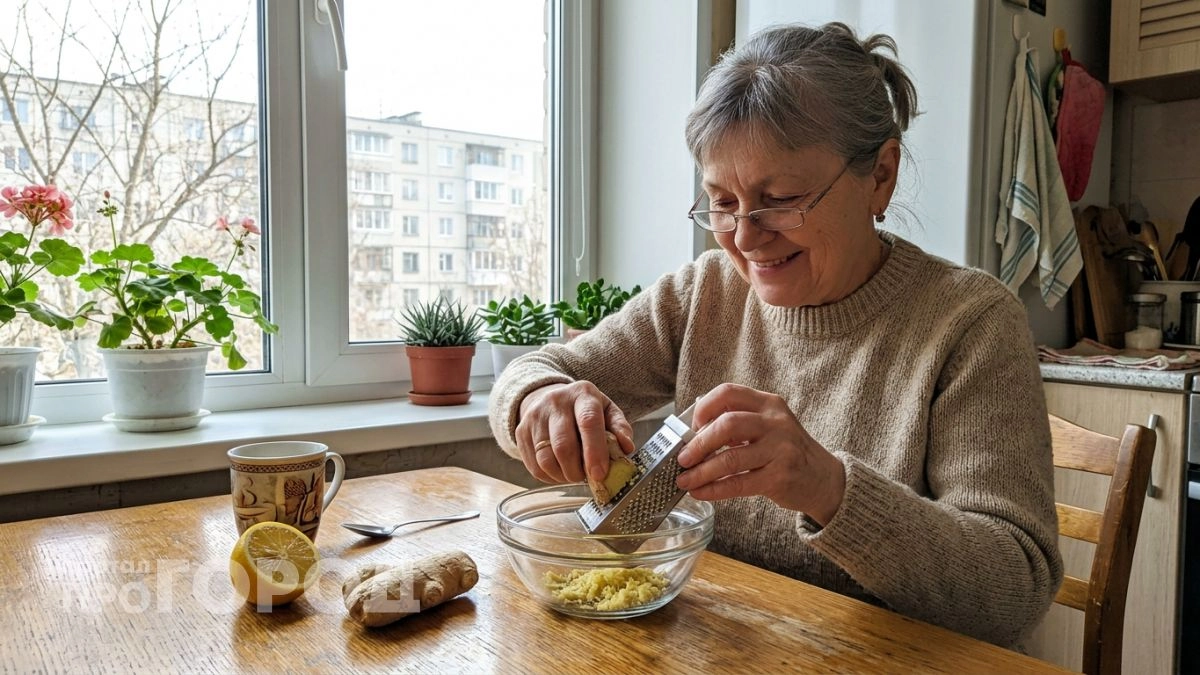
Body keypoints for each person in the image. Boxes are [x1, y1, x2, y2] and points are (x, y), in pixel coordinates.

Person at [488, 22, 1062, 649]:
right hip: (730, 647)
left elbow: (1015, 590)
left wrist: (826, 486)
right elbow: (540, 369)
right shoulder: (704, 293)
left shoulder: (970, 323)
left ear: (881, 176)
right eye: (720, 201)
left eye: (781, 199)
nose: (744, 236)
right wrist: (539, 398)